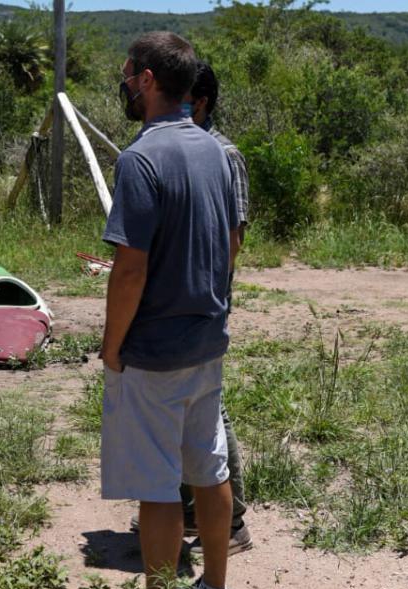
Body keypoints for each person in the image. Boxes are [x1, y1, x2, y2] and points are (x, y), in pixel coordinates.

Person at [73, 32, 242, 589]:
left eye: (125, 74)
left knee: (157, 485)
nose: (122, 84)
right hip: (206, 339)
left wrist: (112, 346)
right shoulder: (214, 151)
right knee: (210, 467)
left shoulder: (141, 160)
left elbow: (130, 269)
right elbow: (227, 243)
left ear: (145, 80)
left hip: (155, 349)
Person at [129, 61, 253, 557]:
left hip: (200, 308)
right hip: (179, 306)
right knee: (189, 422)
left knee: (208, 421)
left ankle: (231, 521)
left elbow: (232, 240)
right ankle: (181, 517)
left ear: (198, 103)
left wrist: (193, 286)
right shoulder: (172, 150)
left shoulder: (222, 154)